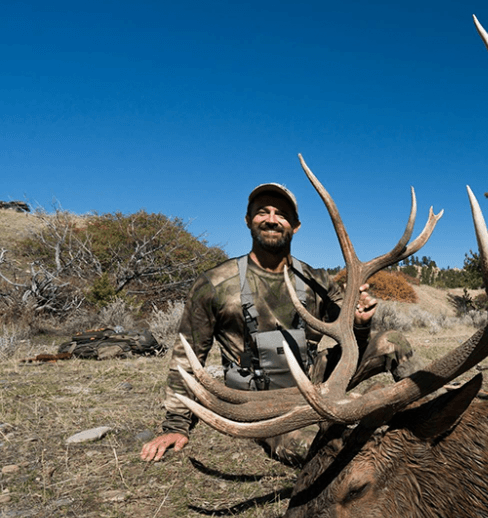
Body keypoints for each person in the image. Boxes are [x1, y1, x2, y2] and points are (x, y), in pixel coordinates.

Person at [140, 182, 418, 464]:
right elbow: (186, 358)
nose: (272, 219)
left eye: (281, 214)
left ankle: (431, 414)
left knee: (391, 342)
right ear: (248, 220)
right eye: (263, 212)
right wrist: (176, 425)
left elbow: (351, 346)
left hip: (314, 382)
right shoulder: (214, 284)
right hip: (259, 404)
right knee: (325, 451)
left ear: (295, 225)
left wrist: (359, 323)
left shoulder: (317, 280)